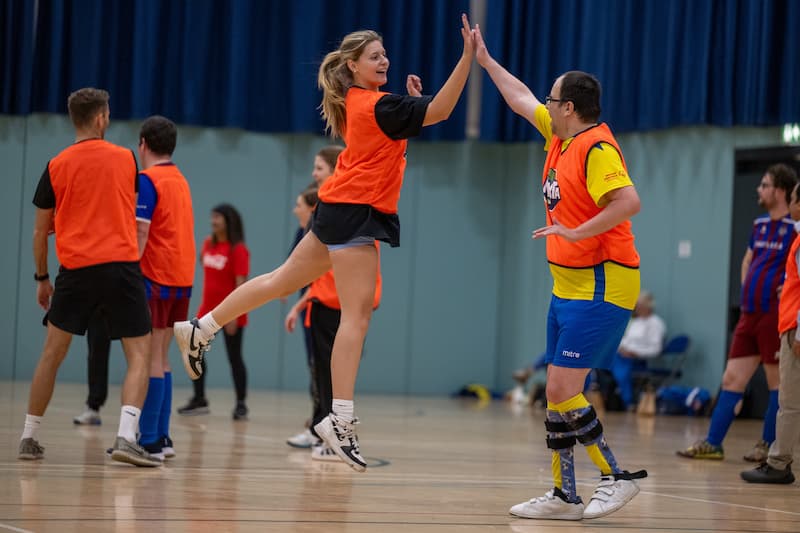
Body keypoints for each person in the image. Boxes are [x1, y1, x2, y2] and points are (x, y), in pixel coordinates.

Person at [174, 15, 477, 472]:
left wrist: (414, 102)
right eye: (375, 56)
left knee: (279, 282)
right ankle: (340, 419)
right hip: (356, 213)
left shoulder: (368, 102)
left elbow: (413, 119)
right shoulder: (375, 105)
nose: (385, 60)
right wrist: (467, 57)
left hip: (338, 209)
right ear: (353, 66)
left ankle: (202, 328)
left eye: (385, 55)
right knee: (355, 315)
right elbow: (443, 111)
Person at [474, 27, 647, 520]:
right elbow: (520, 96)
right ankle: (564, 494)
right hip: (566, 284)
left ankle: (615, 478)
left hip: (603, 281)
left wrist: (575, 231)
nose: (545, 104)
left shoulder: (596, 148)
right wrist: (485, 61)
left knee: (560, 388)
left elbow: (629, 201)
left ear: (570, 107)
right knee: (556, 389)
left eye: (554, 99)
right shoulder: (558, 135)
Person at [19, 87, 159, 467]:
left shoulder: (55, 165)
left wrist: (42, 278)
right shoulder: (126, 159)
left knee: (52, 353)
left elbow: (39, 231)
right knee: (139, 353)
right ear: (100, 118)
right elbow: (126, 209)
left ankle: (29, 436)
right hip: (120, 267)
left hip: (75, 270)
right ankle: (126, 438)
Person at [678, 164, 797, 462]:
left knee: (776, 384)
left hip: (774, 315)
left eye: (765, 185)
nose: (759, 190)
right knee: (731, 379)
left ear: (780, 191)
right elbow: (748, 262)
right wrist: (749, 287)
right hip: (750, 314)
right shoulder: (758, 226)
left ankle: (767, 445)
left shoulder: (793, 229)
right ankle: (713, 443)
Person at [135, 115, 196, 459]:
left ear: (143, 143)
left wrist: (127, 270)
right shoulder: (179, 178)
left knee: (151, 357)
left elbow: (141, 233)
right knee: (164, 357)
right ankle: (164, 437)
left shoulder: (148, 180)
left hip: (155, 276)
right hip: (181, 280)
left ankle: (151, 440)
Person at [742, 179, 800, 484]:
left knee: (788, 403)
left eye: (793, 199)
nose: (790, 205)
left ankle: (778, 463)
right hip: (788, 326)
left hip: (795, 330)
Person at [286, 146, 344, 449]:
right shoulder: (329, 207)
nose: (313, 173)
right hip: (320, 302)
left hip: (333, 303)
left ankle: (331, 434)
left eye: (319, 168)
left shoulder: (338, 206)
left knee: (331, 373)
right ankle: (322, 430)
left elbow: (326, 270)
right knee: (321, 371)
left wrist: (296, 299)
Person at [178, 204, 250, 420]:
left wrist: (234, 315)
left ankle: (240, 404)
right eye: (212, 217)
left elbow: (241, 285)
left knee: (234, 358)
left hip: (229, 313)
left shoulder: (238, 250)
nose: (213, 221)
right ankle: (199, 399)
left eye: (217, 217)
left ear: (229, 221)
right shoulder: (208, 244)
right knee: (193, 352)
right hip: (206, 312)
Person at [610, 291, 666, 410]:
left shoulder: (656, 323)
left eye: (639, 306)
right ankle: (613, 397)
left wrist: (635, 353)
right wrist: (620, 347)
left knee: (615, 363)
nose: (637, 309)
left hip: (638, 359)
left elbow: (656, 349)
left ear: (648, 307)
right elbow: (626, 340)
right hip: (623, 354)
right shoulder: (636, 322)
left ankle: (627, 400)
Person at [72, 313, 111, 425]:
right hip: (100, 302)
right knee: (96, 350)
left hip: (127, 298)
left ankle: (135, 414)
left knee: (136, 354)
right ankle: (93, 407)